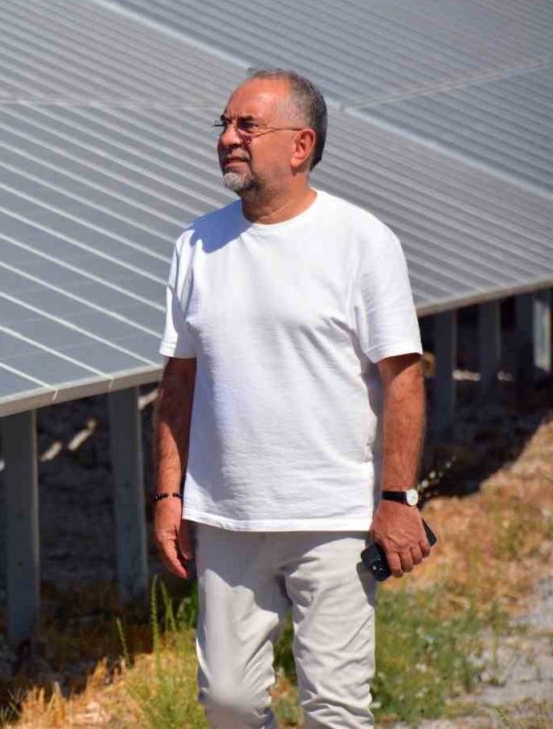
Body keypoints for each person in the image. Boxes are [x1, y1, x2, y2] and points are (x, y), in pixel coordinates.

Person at [152, 68, 431, 728]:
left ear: (300, 145)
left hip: (332, 514)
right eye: (223, 124)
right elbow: (178, 383)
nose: (228, 138)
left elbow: (404, 377)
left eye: (247, 125)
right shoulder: (196, 244)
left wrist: (397, 499)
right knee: (230, 701)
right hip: (226, 515)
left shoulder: (361, 241)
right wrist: (169, 496)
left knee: (335, 705)